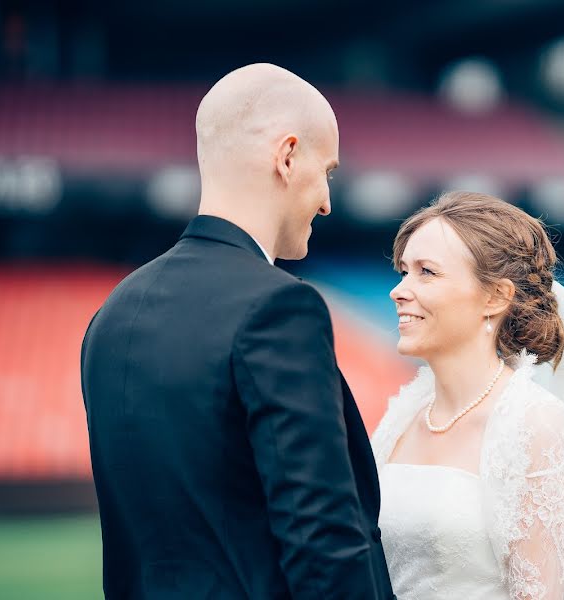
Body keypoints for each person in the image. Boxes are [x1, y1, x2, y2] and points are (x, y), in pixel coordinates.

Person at [81, 63, 394, 599]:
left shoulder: (110, 315)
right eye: (328, 172)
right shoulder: (279, 307)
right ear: (288, 156)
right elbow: (323, 540)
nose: (327, 202)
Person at [372, 191, 564, 599]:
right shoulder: (400, 417)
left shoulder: (535, 426)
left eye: (427, 272)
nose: (399, 291)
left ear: (495, 297)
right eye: (403, 271)